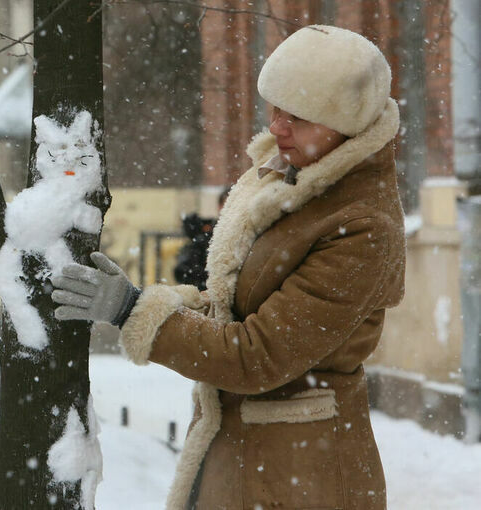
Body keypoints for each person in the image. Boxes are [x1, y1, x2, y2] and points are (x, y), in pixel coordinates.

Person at [52, 24, 404, 510]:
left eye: (298, 116)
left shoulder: (362, 225)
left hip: (301, 479)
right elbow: (234, 304)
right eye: (277, 108)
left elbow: (256, 356)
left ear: (345, 123)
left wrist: (134, 312)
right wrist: (155, 301)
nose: (277, 127)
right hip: (252, 462)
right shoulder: (289, 178)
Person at [174, 188, 230, 290]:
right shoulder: (205, 239)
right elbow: (182, 271)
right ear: (219, 207)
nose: (230, 209)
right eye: (227, 205)